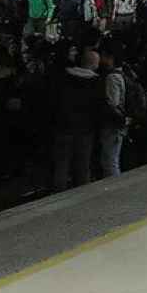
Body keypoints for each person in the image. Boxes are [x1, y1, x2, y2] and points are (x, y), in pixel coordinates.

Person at [54, 48, 102, 190]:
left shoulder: (64, 77)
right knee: (82, 167)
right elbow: (98, 108)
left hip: (63, 128)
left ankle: (58, 196)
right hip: (85, 131)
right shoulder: (96, 82)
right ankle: (81, 197)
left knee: (61, 166)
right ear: (94, 64)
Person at [97, 42, 127, 177]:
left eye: (103, 56)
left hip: (113, 126)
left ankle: (113, 190)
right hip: (119, 123)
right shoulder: (124, 72)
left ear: (110, 58)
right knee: (112, 159)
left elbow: (113, 104)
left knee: (110, 161)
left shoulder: (112, 77)